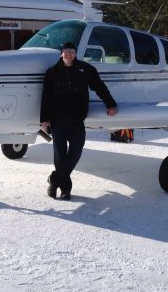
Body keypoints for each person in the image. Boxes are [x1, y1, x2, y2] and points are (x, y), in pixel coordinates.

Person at [40, 42, 118, 200]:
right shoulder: (52, 72)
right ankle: (65, 190)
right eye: (66, 51)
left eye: (72, 52)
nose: (69, 54)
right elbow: (45, 97)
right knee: (60, 156)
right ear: (61, 53)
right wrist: (44, 120)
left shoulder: (85, 70)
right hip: (58, 120)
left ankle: (54, 180)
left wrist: (110, 103)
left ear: (75, 54)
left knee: (76, 151)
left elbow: (99, 87)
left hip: (76, 119)